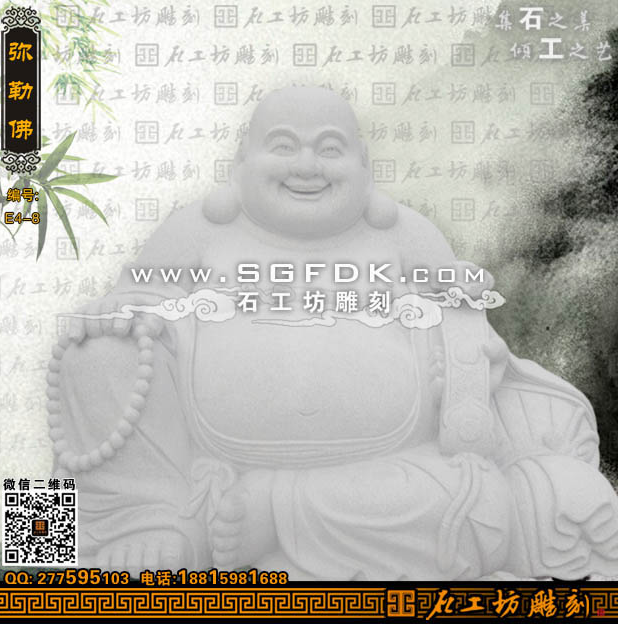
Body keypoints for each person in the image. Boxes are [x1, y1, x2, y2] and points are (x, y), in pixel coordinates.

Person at [48, 86, 618, 580]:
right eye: (283, 146)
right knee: (95, 349)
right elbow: (134, 301)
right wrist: (119, 316)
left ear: (363, 164)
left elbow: (464, 321)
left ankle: (273, 512)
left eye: (329, 148)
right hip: (204, 463)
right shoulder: (196, 230)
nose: (307, 166)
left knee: (479, 502)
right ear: (242, 160)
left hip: (383, 471)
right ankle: (143, 519)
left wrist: (461, 365)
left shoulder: (405, 234)